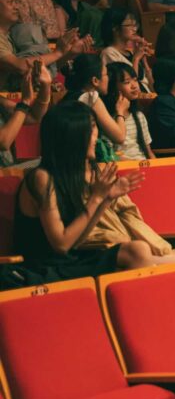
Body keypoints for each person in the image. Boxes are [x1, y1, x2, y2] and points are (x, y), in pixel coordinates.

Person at [14, 102, 154, 280]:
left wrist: (106, 199)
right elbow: (62, 244)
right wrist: (96, 197)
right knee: (136, 254)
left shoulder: (70, 177)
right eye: (91, 131)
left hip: (71, 260)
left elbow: (77, 240)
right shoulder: (41, 178)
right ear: (72, 138)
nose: (96, 138)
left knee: (138, 250)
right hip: (44, 268)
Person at [102, 63, 154, 161]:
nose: (134, 86)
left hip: (143, 165)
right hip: (122, 169)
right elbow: (109, 155)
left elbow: (149, 152)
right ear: (113, 87)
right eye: (127, 82)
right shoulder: (106, 119)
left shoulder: (139, 116)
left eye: (135, 80)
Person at [101, 8, 154, 92]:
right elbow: (130, 85)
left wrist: (144, 61)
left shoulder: (131, 53)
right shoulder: (109, 53)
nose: (135, 29)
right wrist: (136, 59)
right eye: (130, 25)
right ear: (115, 28)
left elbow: (150, 85)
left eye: (135, 25)